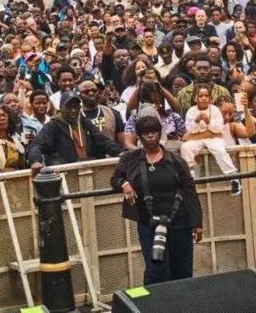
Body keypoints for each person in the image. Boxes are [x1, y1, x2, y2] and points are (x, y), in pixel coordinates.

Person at [110, 108, 202, 285]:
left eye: (154, 132)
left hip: (178, 220)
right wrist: (124, 184)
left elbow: (189, 190)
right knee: (155, 268)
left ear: (160, 134)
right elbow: (115, 178)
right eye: (146, 133)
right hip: (148, 221)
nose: (150, 136)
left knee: (181, 267)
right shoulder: (131, 159)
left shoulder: (175, 160)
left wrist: (196, 223)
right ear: (139, 136)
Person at [28, 91, 122, 175]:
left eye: (76, 107)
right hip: (67, 173)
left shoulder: (85, 122)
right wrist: (35, 161)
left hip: (90, 169)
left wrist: (119, 152)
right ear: (60, 108)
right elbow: (36, 146)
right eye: (69, 107)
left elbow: (102, 141)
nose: (73, 111)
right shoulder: (52, 125)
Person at [180, 85, 240, 194]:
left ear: (210, 98)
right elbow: (190, 130)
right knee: (185, 147)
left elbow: (218, 128)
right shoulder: (191, 111)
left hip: (214, 140)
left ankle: (233, 178)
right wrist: (196, 121)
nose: (204, 98)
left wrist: (208, 122)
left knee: (220, 150)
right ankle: (192, 176)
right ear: (195, 98)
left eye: (206, 96)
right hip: (198, 140)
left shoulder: (215, 110)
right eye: (200, 96)